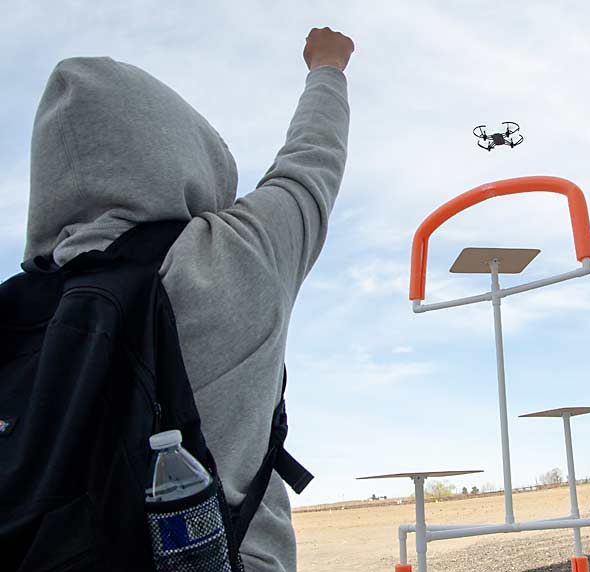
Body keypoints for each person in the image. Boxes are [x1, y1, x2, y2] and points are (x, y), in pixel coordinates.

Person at [21, 28, 353, 571]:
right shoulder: (231, 258)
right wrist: (328, 70)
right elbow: (310, 166)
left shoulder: (25, 306)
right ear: (180, 149)